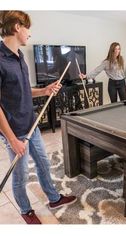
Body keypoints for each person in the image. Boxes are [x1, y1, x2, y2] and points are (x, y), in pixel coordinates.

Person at [0, 11, 77, 224]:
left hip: (31, 123)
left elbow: (23, 89)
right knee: (21, 175)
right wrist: (13, 139)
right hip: (14, 131)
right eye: (28, 28)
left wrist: (44, 91)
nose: (30, 34)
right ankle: (25, 209)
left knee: (43, 163)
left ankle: (53, 198)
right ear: (17, 27)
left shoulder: (20, 56)